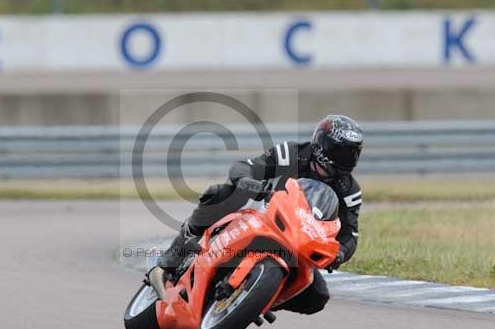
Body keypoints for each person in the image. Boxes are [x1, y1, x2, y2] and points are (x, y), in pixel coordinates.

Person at [149, 115, 363, 315]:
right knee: (222, 193)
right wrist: (248, 182)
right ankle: (170, 261)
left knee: (317, 296)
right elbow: (246, 166)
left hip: (298, 243)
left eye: (353, 153)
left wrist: (340, 254)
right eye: (341, 152)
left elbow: (350, 235)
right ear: (322, 146)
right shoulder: (293, 154)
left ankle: (255, 297)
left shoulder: (349, 190)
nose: (347, 160)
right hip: (263, 216)